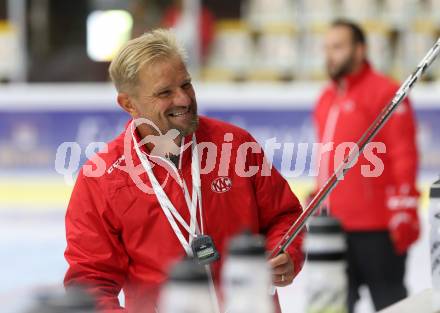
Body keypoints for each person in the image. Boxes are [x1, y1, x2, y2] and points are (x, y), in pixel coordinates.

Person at [64, 29, 305, 313]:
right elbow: (91, 281)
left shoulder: (235, 145)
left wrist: (286, 252)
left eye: (186, 84)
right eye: (165, 92)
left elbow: (284, 217)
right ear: (128, 103)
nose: (183, 100)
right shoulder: (102, 178)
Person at [313, 19, 420, 312]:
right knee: (334, 306)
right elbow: (327, 157)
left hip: (378, 230)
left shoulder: (385, 92)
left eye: (338, 47)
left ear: (360, 50)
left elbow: (403, 152)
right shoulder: (326, 99)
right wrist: (317, 195)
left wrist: (404, 208)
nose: (330, 55)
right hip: (334, 229)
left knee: (391, 304)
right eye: (326, 48)